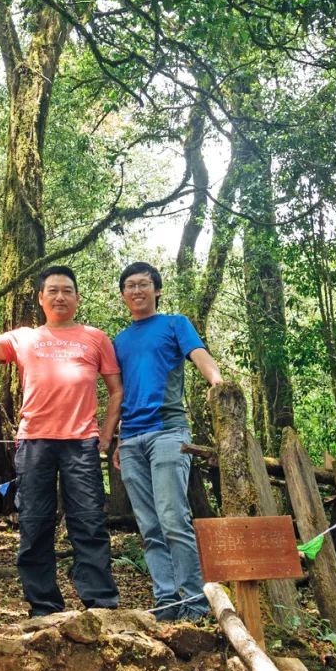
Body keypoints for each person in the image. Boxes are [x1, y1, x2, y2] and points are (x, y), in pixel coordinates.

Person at [0, 267, 123, 617]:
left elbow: (116, 389)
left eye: (68, 291)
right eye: (53, 290)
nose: (60, 296)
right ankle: (43, 607)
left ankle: (100, 603)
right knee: (35, 522)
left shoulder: (95, 338)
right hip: (34, 443)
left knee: (88, 521)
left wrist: (106, 434)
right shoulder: (24, 337)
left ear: (77, 297)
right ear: (41, 298)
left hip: (81, 442)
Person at [113, 260, 223, 622]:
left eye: (144, 284)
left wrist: (219, 385)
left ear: (157, 290)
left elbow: (199, 355)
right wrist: (114, 439)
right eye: (130, 285)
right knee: (148, 525)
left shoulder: (175, 324)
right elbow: (119, 392)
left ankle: (193, 603)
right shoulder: (120, 341)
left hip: (168, 432)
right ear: (123, 294)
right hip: (130, 440)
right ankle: (166, 603)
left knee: (174, 517)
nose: (137, 290)